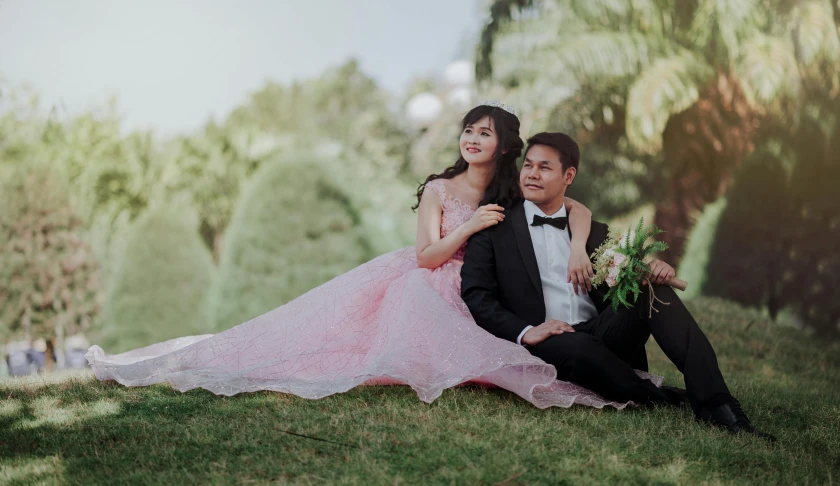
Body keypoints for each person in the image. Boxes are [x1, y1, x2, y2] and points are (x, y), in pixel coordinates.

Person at [86, 103, 640, 409]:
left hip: (483, 288)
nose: (472, 138)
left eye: (485, 132)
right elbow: (426, 257)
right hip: (432, 277)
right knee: (361, 338)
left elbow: (577, 208)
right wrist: (469, 226)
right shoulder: (438, 190)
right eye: (468, 130)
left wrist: (573, 243)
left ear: (505, 145)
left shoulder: (514, 189)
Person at [460, 131, 776, 440]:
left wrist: (650, 269)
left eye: (545, 167)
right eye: (528, 165)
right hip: (547, 339)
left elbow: (623, 279)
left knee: (651, 289)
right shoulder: (493, 229)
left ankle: (718, 404)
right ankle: (662, 397)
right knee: (580, 349)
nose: (532, 174)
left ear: (568, 175)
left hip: (603, 331)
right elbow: (477, 297)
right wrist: (527, 331)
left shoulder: (595, 233)